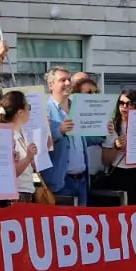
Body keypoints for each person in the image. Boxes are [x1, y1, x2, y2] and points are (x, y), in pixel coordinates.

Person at [41, 66, 88, 206]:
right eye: (63, 80)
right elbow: (39, 144)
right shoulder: (44, 110)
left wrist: (104, 131)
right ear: (51, 85)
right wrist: (58, 131)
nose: (68, 83)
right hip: (61, 182)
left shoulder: (79, 108)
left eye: (69, 80)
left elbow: (87, 140)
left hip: (82, 180)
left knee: (83, 225)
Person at [0, 90, 40, 203]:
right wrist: (28, 158)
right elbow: (9, 172)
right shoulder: (6, 135)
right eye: (28, 107)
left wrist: (31, 161)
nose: (30, 111)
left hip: (26, 192)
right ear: (20, 112)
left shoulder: (22, 132)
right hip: (15, 196)